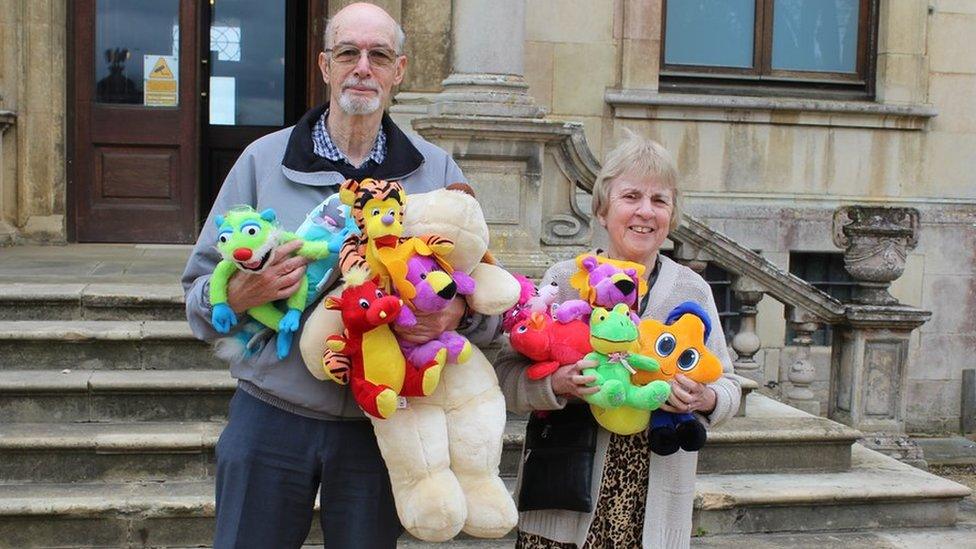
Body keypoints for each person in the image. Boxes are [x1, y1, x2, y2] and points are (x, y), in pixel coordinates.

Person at [181, 4, 497, 547]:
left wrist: (455, 310)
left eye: (378, 56)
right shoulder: (262, 161)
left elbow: (488, 295)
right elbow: (198, 297)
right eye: (348, 53)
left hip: (383, 426)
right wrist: (238, 293)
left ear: (398, 71)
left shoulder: (437, 172)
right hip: (271, 416)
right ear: (326, 66)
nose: (362, 68)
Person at [495, 131, 742, 549]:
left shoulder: (692, 290)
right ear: (603, 208)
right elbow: (505, 372)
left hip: (653, 502)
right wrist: (556, 385)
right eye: (631, 196)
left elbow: (729, 385)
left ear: (672, 216)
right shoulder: (564, 282)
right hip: (563, 496)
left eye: (659, 200)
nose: (645, 211)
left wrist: (703, 398)